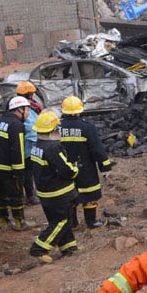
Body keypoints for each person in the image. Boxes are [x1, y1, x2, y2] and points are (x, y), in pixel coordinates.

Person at [30, 110, 79, 262]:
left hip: (46, 193)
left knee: (61, 221)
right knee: (62, 221)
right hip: (59, 193)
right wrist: (75, 170)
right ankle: (39, 248)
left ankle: (69, 248)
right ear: (52, 130)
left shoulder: (37, 146)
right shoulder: (53, 147)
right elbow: (65, 169)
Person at [60, 97, 112, 229]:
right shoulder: (87, 127)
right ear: (79, 110)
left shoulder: (57, 127)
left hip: (64, 168)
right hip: (85, 168)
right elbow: (97, 149)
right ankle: (91, 222)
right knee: (90, 194)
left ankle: (72, 223)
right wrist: (105, 167)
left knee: (69, 194)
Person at [0, 95, 33, 230]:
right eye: (27, 109)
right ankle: (19, 222)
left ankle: (2, 220)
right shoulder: (16, 125)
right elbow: (17, 149)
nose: (28, 113)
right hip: (7, 168)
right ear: (19, 110)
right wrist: (19, 171)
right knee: (15, 195)